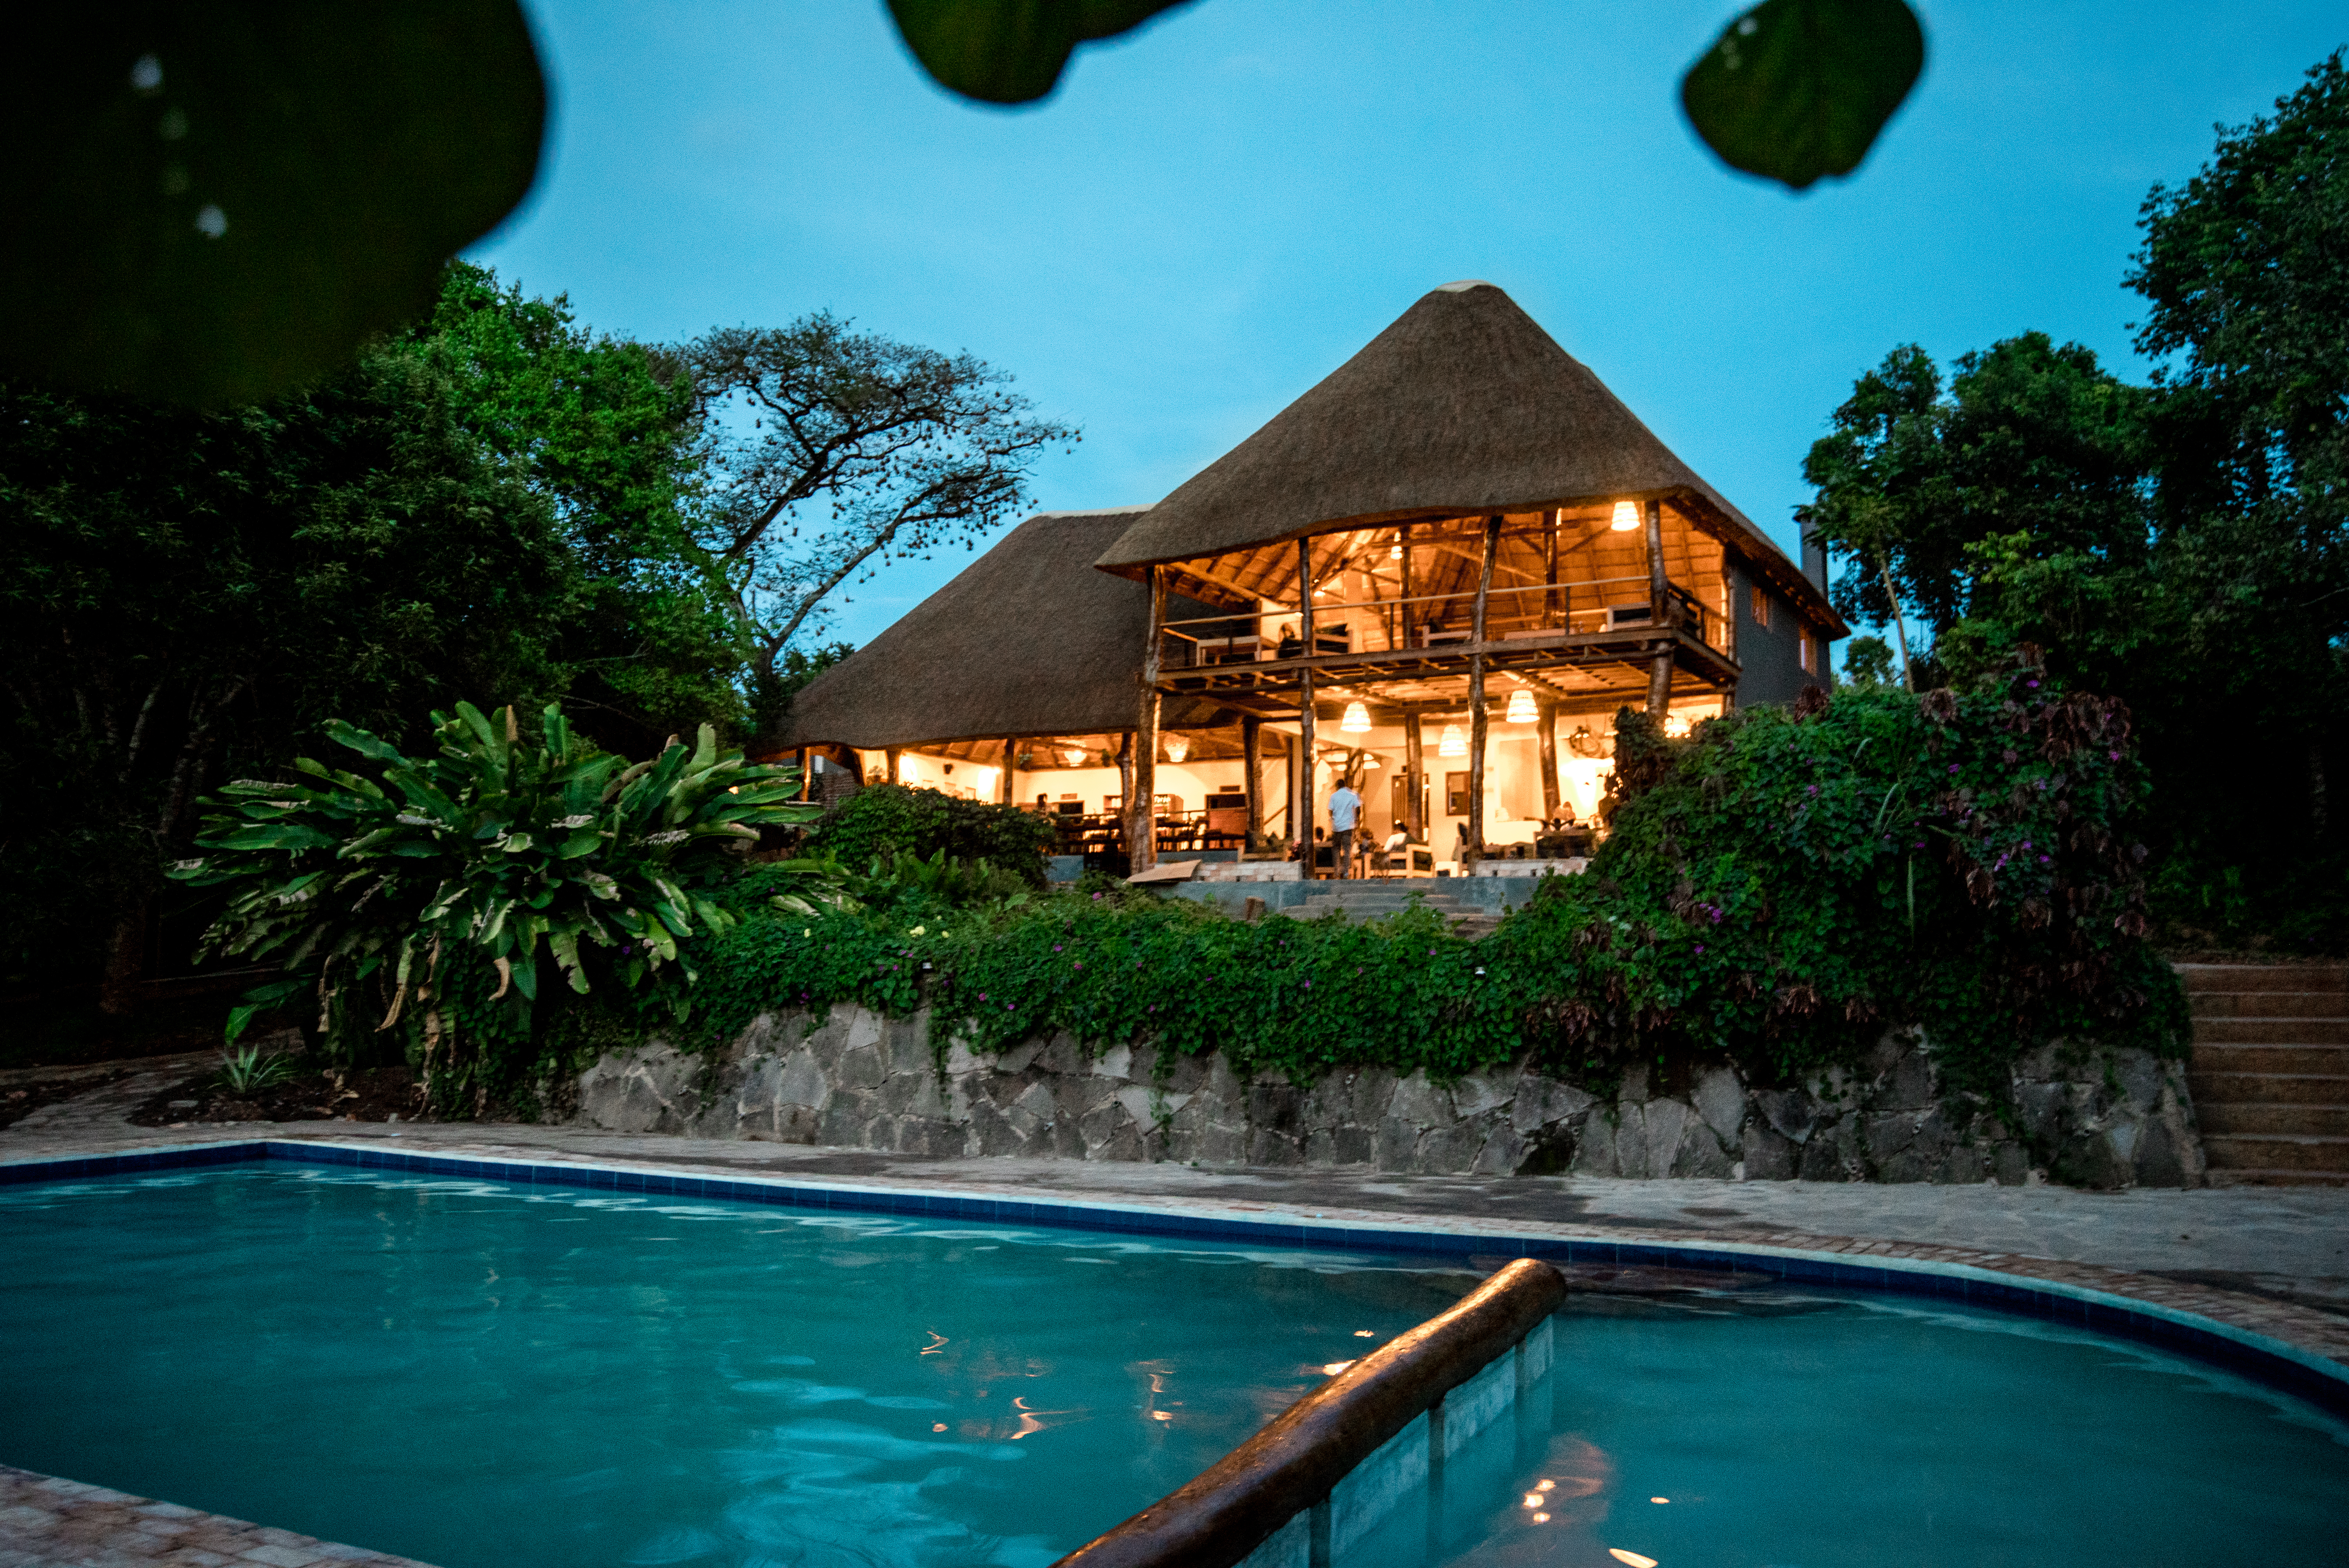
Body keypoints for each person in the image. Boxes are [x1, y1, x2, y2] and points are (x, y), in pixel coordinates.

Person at [1326, 775, 1363, 880]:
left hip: (1337, 827)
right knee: (1347, 850)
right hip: (1348, 827)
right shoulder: (1352, 795)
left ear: (1338, 786)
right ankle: (1346, 873)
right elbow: (1358, 808)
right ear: (1345, 785)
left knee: (1336, 849)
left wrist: (1334, 818)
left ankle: (1337, 873)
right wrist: (1356, 819)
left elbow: (1330, 811)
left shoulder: (1333, 796)